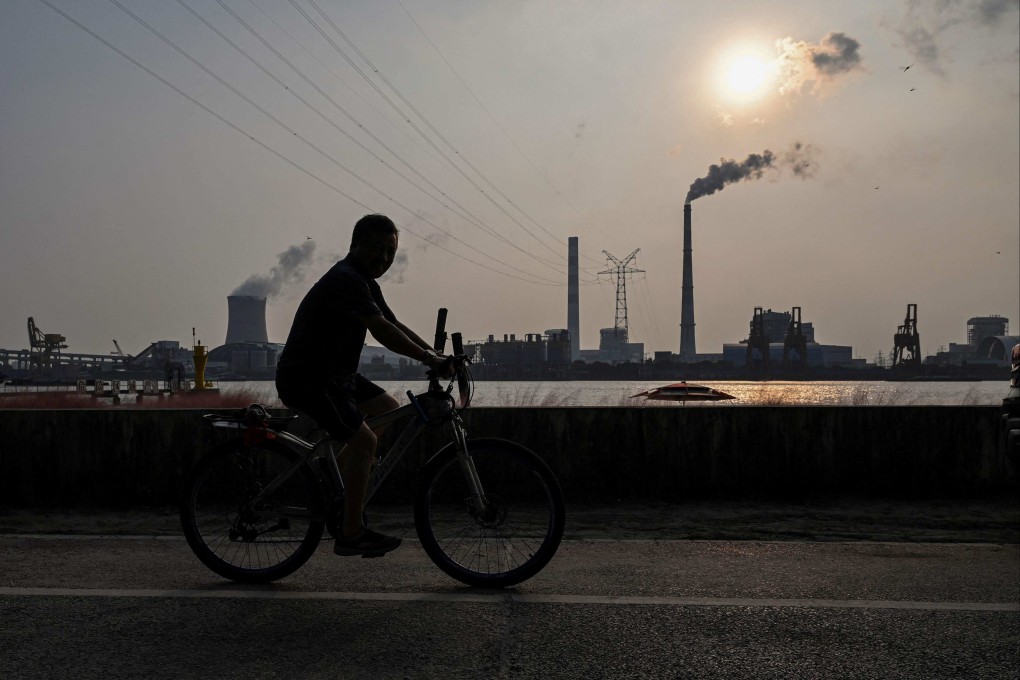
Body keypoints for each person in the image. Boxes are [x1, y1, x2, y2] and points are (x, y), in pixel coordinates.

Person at [275, 214, 449, 557]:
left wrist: (434, 353)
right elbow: (381, 332)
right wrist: (430, 361)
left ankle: (337, 484)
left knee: (387, 410)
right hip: (309, 377)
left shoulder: (365, 282)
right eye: (376, 249)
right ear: (355, 246)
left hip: (338, 377)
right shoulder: (346, 279)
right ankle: (350, 533)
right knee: (365, 438)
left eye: (390, 252)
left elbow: (392, 323)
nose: (383, 259)